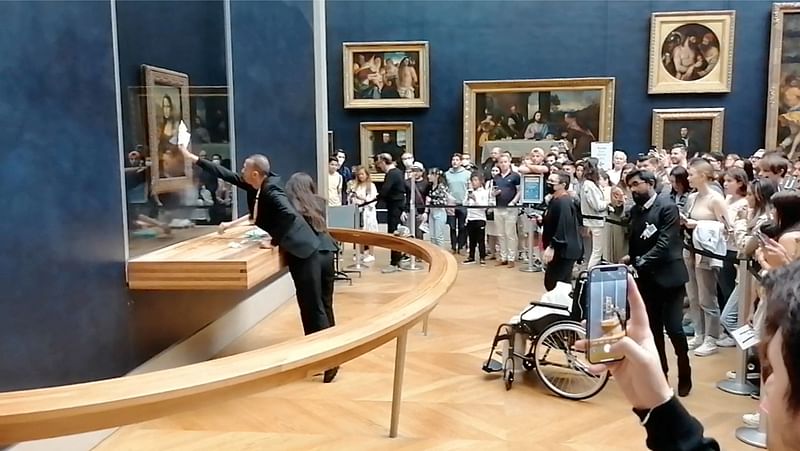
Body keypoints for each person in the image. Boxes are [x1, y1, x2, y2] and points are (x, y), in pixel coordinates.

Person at [182, 147, 339, 382]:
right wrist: (195, 159)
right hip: (314, 251)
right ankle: (329, 357)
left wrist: (275, 240)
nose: (241, 171)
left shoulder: (272, 193)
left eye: (245, 167)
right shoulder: (260, 186)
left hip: (306, 254)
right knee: (322, 307)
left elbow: (289, 216)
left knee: (312, 308)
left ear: (256, 173)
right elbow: (226, 175)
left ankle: (328, 361)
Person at [623, 169, 692, 397]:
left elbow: (665, 242)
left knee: (674, 328)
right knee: (652, 331)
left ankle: (684, 370)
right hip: (647, 281)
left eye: (636, 184)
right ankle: (661, 374)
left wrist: (641, 262)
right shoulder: (635, 211)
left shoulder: (667, 207)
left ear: (650, 183)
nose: (633, 190)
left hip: (669, 278)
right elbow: (635, 243)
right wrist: (632, 260)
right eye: (630, 186)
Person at [683, 159, 729, 357]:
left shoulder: (716, 199)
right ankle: (699, 333)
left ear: (702, 176)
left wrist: (699, 225)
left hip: (707, 252)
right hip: (690, 248)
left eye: (691, 174)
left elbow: (728, 228)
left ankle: (712, 337)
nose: (688, 177)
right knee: (692, 295)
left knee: (707, 297)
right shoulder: (692, 198)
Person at [540, 171, 583, 290]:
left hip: (564, 249)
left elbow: (563, 225)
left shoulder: (563, 201)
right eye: (548, 181)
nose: (548, 184)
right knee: (560, 284)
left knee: (554, 284)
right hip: (562, 248)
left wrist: (552, 246)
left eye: (552, 182)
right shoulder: (555, 200)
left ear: (563, 185)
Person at [375, 153, 406, 273]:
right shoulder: (398, 172)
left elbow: (385, 190)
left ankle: (394, 262)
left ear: (383, 162)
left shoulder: (392, 174)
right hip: (395, 206)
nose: (379, 166)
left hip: (395, 207)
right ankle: (397, 260)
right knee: (395, 232)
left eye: (379, 163)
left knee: (393, 233)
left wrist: (378, 197)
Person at [492, 154, 521, 267]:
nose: (503, 164)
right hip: (498, 207)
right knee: (501, 233)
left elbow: (519, 191)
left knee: (510, 233)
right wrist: (495, 193)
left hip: (510, 208)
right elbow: (493, 192)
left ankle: (511, 257)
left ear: (509, 162)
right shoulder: (496, 178)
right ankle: (503, 257)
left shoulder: (515, 176)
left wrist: (513, 202)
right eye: (501, 162)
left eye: (505, 162)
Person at [579, 159, 608, 268]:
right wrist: (608, 202)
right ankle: (589, 274)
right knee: (596, 252)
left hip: (591, 222)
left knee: (593, 251)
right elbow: (597, 206)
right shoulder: (589, 185)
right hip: (595, 223)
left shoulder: (587, 184)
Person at [349, 166, 378, 263]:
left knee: (369, 233)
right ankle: (360, 252)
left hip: (368, 213)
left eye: (362, 174)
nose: (361, 176)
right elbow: (352, 199)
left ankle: (371, 253)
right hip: (358, 212)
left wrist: (361, 198)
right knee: (359, 233)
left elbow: (371, 200)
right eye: (359, 174)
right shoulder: (356, 186)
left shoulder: (371, 186)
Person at [445, 153, 471, 253]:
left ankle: (461, 246)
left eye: (457, 160)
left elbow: (469, 188)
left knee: (462, 226)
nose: (455, 162)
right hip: (451, 204)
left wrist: (467, 199)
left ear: (460, 162)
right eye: (453, 160)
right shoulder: (447, 174)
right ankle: (453, 246)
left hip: (462, 204)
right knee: (452, 226)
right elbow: (445, 188)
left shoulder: (467, 174)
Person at [464, 173, 488, 265]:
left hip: (480, 218)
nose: (473, 182)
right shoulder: (469, 192)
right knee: (471, 239)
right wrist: (467, 197)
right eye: (472, 180)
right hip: (470, 218)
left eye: (475, 180)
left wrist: (475, 199)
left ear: (480, 181)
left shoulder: (484, 192)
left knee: (480, 240)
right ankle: (471, 256)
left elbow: (484, 207)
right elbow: (465, 204)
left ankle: (482, 257)